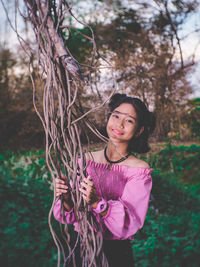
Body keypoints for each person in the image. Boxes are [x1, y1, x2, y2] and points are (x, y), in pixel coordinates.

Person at [53, 93, 156, 266]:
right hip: (80, 246)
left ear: (139, 130)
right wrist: (67, 199)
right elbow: (71, 216)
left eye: (129, 120)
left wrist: (97, 203)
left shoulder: (139, 170)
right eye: (116, 116)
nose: (119, 124)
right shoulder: (85, 160)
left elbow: (129, 224)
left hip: (115, 253)